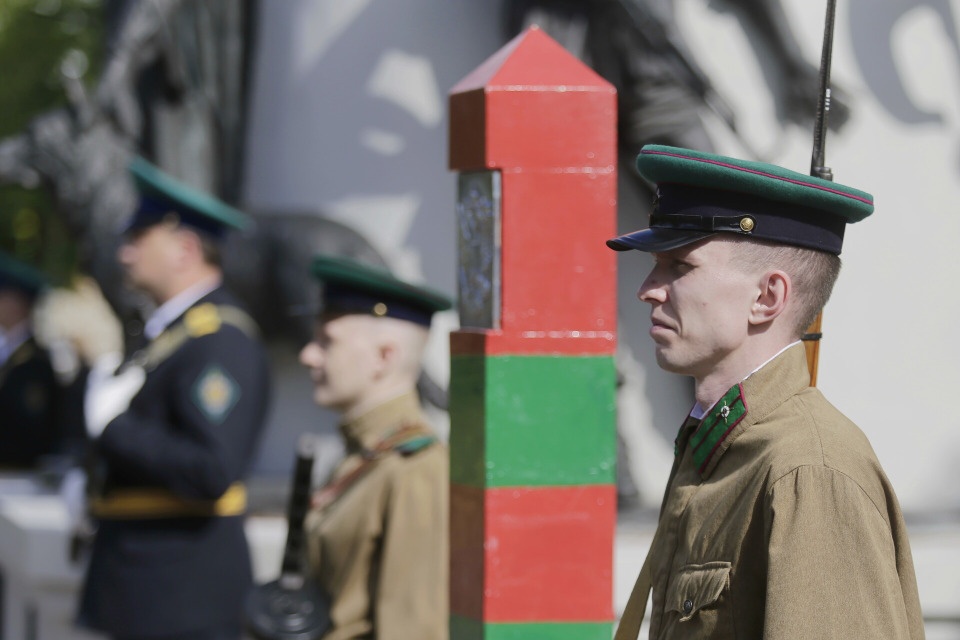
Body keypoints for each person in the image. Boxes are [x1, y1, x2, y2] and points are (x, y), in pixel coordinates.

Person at [608, 145, 924, 639]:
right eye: (655, 264)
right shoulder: (721, 445)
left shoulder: (807, 471)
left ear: (767, 297)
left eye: (680, 266)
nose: (648, 289)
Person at [76, 156, 271, 640]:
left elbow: (211, 469)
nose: (125, 254)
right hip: (146, 592)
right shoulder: (172, 334)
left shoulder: (219, 339)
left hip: (181, 599)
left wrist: (115, 429)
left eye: (138, 239)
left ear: (185, 249)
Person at [299, 254, 451, 640]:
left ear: (384, 357)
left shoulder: (415, 468)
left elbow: (412, 629)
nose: (308, 355)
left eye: (327, 341)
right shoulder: (364, 454)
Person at [0, 251, 83, 468]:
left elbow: (29, 433)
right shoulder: (13, 355)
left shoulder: (35, 363)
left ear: (15, 303)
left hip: (20, 475)